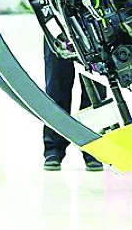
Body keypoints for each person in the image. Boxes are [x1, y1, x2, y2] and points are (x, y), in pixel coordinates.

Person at [42, 37, 104, 172]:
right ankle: (54, 148)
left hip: (92, 27)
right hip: (56, 28)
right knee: (56, 89)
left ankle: (93, 147)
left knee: (95, 93)